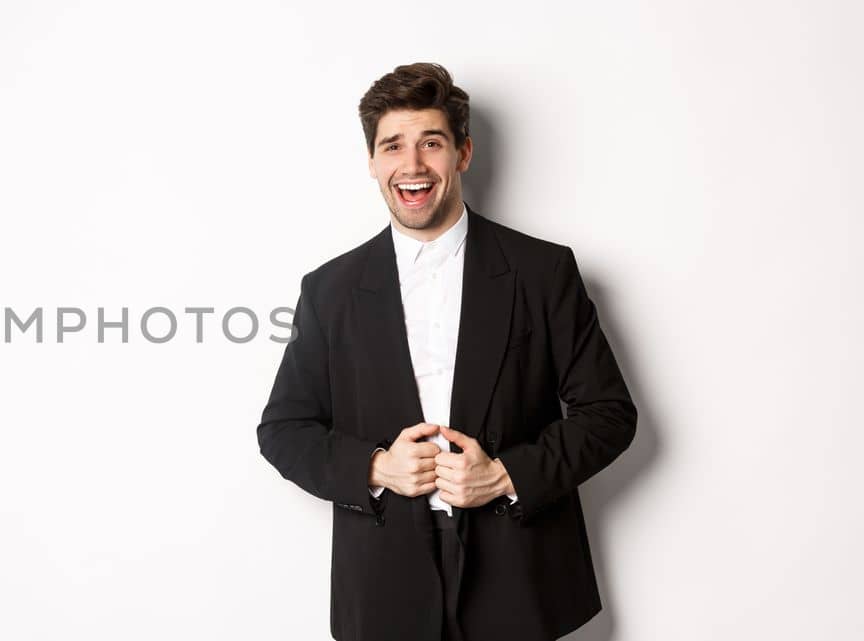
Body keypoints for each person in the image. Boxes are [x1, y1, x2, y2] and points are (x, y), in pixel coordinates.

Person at [256, 62, 637, 641]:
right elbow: (283, 429)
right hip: (383, 583)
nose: (411, 166)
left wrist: (507, 475)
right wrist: (377, 466)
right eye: (393, 147)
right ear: (372, 163)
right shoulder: (328, 290)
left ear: (462, 153)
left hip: (522, 577)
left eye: (430, 143)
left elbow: (609, 414)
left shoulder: (543, 271)